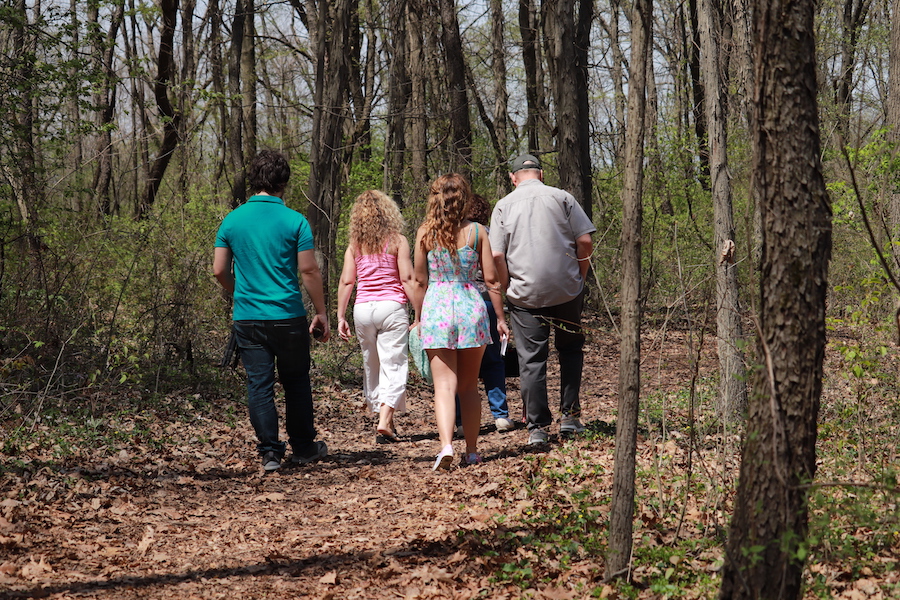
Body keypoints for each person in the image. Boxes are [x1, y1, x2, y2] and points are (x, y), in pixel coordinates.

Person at [213, 150, 330, 472]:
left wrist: (241, 291)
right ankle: (304, 448)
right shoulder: (295, 220)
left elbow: (219, 270)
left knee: (259, 384)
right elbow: (308, 271)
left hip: (248, 318)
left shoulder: (232, 220)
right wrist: (322, 312)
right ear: (284, 182)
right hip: (288, 315)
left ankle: (269, 454)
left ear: (254, 180)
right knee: (296, 382)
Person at [489, 154, 595, 445]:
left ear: (513, 178)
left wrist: (507, 283)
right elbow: (585, 240)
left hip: (524, 295)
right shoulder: (563, 198)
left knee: (531, 360)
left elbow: (497, 254)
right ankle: (570, 418)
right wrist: (580, 277)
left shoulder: (503, 206)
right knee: (571, 350)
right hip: (566, 289)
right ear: (542, 174)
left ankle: (537, 429)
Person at [412, 173, 509, 470]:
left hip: (438, 308)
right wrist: (501, 318)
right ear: (464, 198)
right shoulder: (478, 232)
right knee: (468, 386)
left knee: (443, 385)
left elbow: (418, 280)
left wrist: (417, 318)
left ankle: (445, 446)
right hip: (470, 307)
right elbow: (491, 278)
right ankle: (472, 451)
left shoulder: (425, 233)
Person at [336, 190, 415, 443]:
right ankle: (384, 420)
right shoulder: (398, 241)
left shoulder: (354, 246)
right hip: (391, 307)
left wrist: (340, 316)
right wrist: (421, 312)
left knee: (373, 366)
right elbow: (407, 279)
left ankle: (387, 425)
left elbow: (348, 281)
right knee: (394, 364)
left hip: (363, 310)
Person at [453, 194, 514, 434]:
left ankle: (459, 421)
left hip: (456, 305)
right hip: (486, 303)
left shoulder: (449, 233)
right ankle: (500, 415)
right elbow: (494, 276)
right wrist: (502, 315)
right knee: (493, 361)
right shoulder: (487, 234)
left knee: (458, 366)